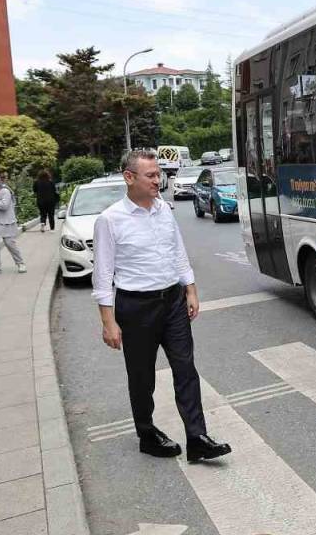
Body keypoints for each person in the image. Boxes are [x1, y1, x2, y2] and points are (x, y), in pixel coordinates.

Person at [92, 149, 231, 463]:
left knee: (186, 370)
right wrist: (108, 321)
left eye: (159, 174)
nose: (159, 180)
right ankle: (147, 434)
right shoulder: (110, 220)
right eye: (151, 175)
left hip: (172, 302)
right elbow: (102, 275)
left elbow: (177, 252)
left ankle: (197, 438)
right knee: (142, 377)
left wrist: (190, 290)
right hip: (136, 307)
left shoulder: (164, 210)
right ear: (129, 178)